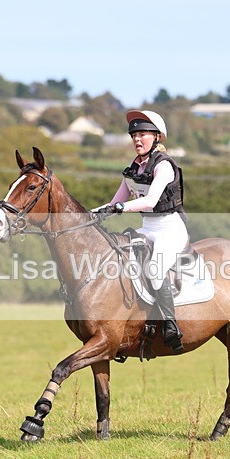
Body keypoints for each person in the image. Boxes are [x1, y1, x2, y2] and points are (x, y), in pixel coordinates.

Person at [96, 110, 187, 353]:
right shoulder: (133, 169)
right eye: (134, 135)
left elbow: (149, 201)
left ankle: (171, 326)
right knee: (121, 262)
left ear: (157, 137)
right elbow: (114, 201)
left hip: (170, 229)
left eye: (143, 134)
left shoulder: (164, 166)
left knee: (156, 271)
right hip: (147, 228)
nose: (137, 139)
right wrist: (88, 214)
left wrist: (118, 208)